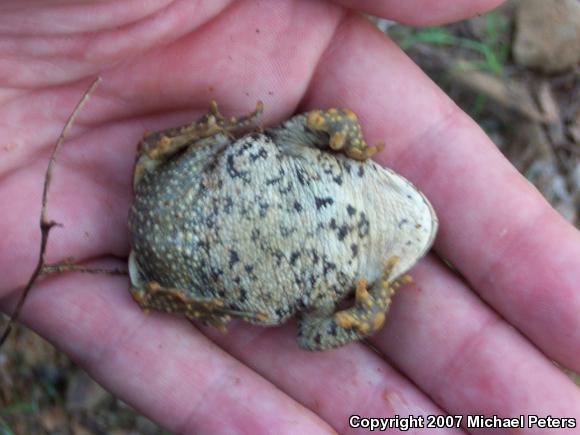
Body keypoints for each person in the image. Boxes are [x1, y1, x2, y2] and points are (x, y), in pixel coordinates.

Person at [1, 0, 579, 433]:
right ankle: (161, 293)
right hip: (176, 251)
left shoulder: (333, 161)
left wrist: (344, 139)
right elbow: (310, 335)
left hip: (172, 183)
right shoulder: (350, 287)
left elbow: (306, 125)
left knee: (252, 156)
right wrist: (364, 314)